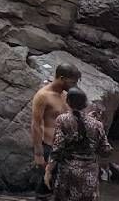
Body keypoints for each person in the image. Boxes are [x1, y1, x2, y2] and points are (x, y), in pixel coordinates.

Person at [45, 88, 113, 201]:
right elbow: (106, 151)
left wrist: (48, 170)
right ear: (85, 104)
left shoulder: (62, 120)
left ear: (68, 102)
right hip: (89, 174)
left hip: (67, 173)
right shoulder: (97, 124)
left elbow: (57, 148)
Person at [31, 62, 82, 200]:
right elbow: (36, 124)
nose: (75, 85)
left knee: (62, 188)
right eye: (72, 82)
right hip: (48, 147)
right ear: (61, 78)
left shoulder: (66, 96)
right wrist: (38, 153)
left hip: (65, 149)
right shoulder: (43, 95)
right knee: (44, 187)